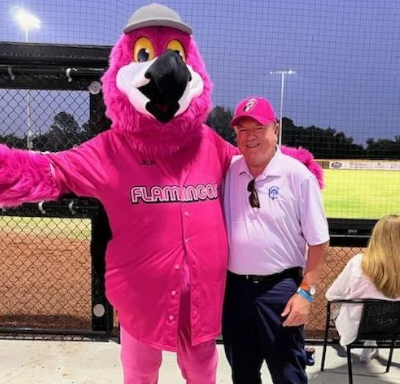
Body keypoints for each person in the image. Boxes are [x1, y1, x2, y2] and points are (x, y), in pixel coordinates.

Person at [222, 96, 330, 384]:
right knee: (242, 373)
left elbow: (319, 242)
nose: (250, 136)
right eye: (242, 130)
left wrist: (305, 293)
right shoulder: (229, 171)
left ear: (275, 129)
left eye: (258, 127)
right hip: (234, 290)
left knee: (288, 375)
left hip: (280, 289)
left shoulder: (298, 176)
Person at [326, 214, 400, 363]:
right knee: (381, 312)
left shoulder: (358, 261)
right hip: (393, 328)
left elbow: (332, 294)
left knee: (337, 306)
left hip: (356, 328)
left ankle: (369, 343)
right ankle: (370, 345)